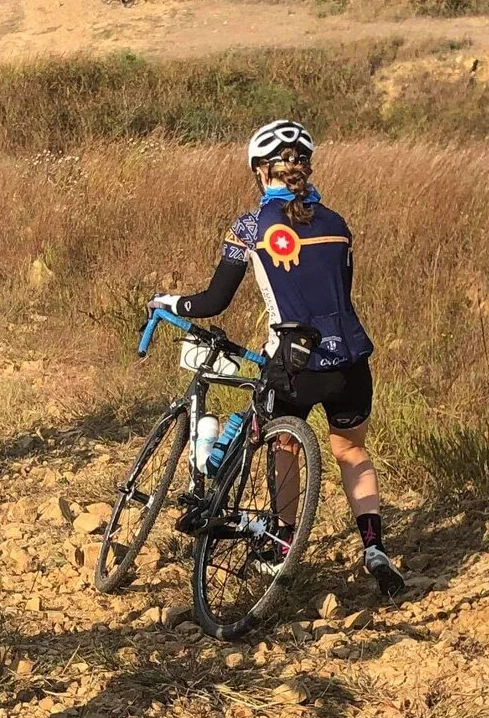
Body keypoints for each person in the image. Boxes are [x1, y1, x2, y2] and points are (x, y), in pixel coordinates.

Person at [151, 120, 406, 597]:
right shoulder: (338, 225)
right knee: (351, 451)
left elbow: (213, 301)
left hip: (295, 363)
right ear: (305, 168)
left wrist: (172, 303)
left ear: (258, 171)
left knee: (284, 445)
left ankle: (281, 542)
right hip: (351, 361)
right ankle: (374, 547)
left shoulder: (249, 228)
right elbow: (338, 293)